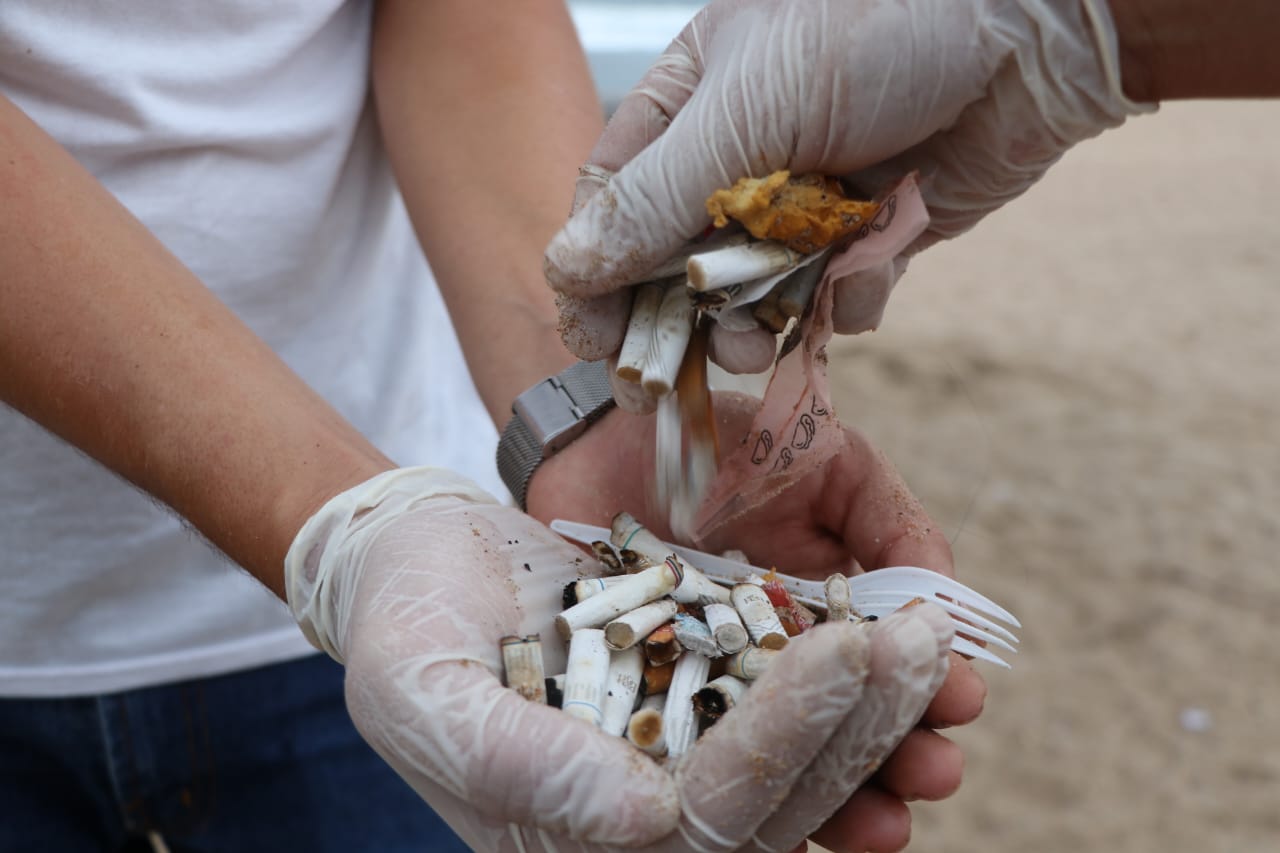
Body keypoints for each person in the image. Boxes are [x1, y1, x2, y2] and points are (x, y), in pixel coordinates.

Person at [0, 2, 982, 852]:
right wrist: (348, 528)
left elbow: (461, 16)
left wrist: (588, 406)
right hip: (380, 571)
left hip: (421, 604)